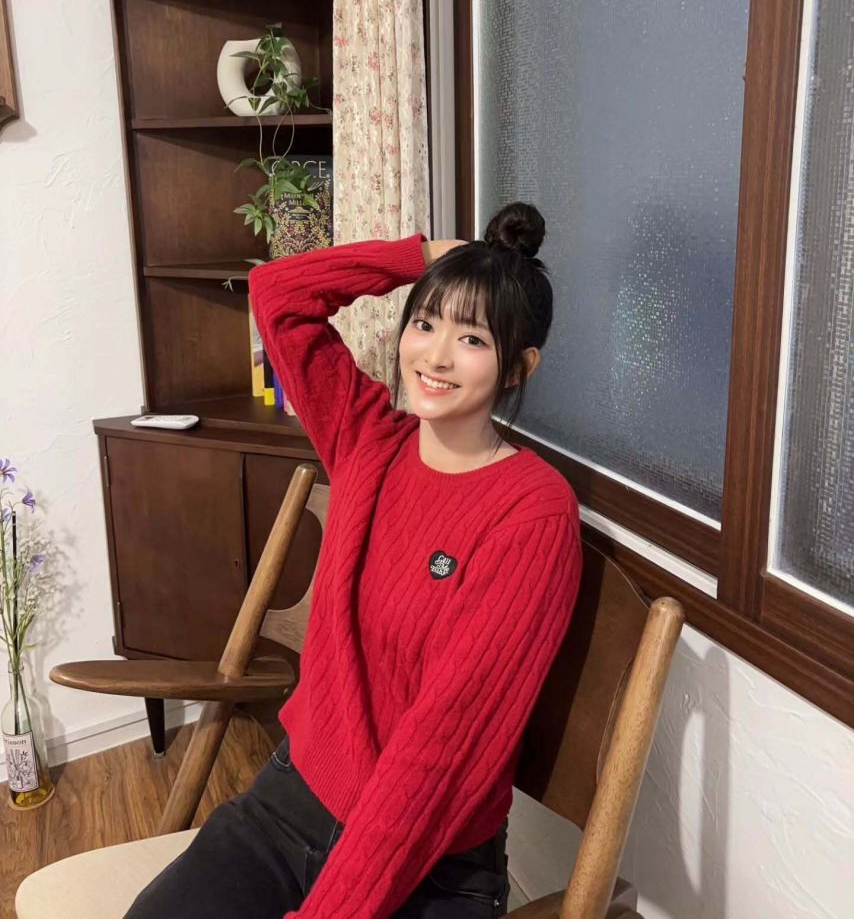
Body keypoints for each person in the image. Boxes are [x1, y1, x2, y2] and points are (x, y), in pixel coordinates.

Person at [125, 202, 582, 919]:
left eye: (472, 338)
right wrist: (420, 257)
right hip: (290, 805)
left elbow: (441, 754)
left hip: (429, 859)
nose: (434, 356)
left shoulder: (532, 513)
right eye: (425, 323)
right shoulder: (369, 439)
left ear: (520, 367)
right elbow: (278, 294)